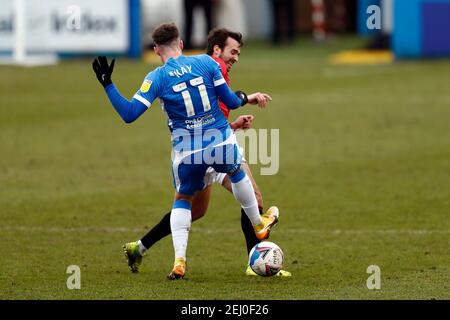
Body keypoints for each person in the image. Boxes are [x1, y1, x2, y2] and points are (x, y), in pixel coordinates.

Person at [92, 23, 279, 280]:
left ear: (156, 50)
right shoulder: (207, 63)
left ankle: (179, 261)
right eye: (234, 52)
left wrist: (108, 85)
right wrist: (246, 100)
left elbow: (129, 114)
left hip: (187, 151)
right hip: (219, 141)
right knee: (236, 176)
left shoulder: (156, 77)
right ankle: (258, 225)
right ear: (181, 44)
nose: (235, 57)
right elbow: (231, 101)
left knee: (183, 200)